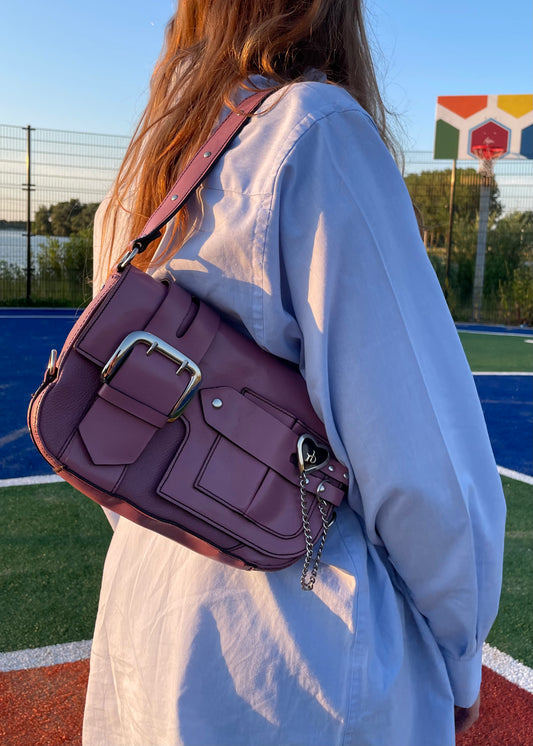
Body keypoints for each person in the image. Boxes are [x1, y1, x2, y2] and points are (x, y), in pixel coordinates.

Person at [84, 1, 506, 744]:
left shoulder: (146, 167)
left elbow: (118, 422)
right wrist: (460, 655)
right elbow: (424, 467)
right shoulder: (317, 131)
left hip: (146, 620)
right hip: (308, 650)